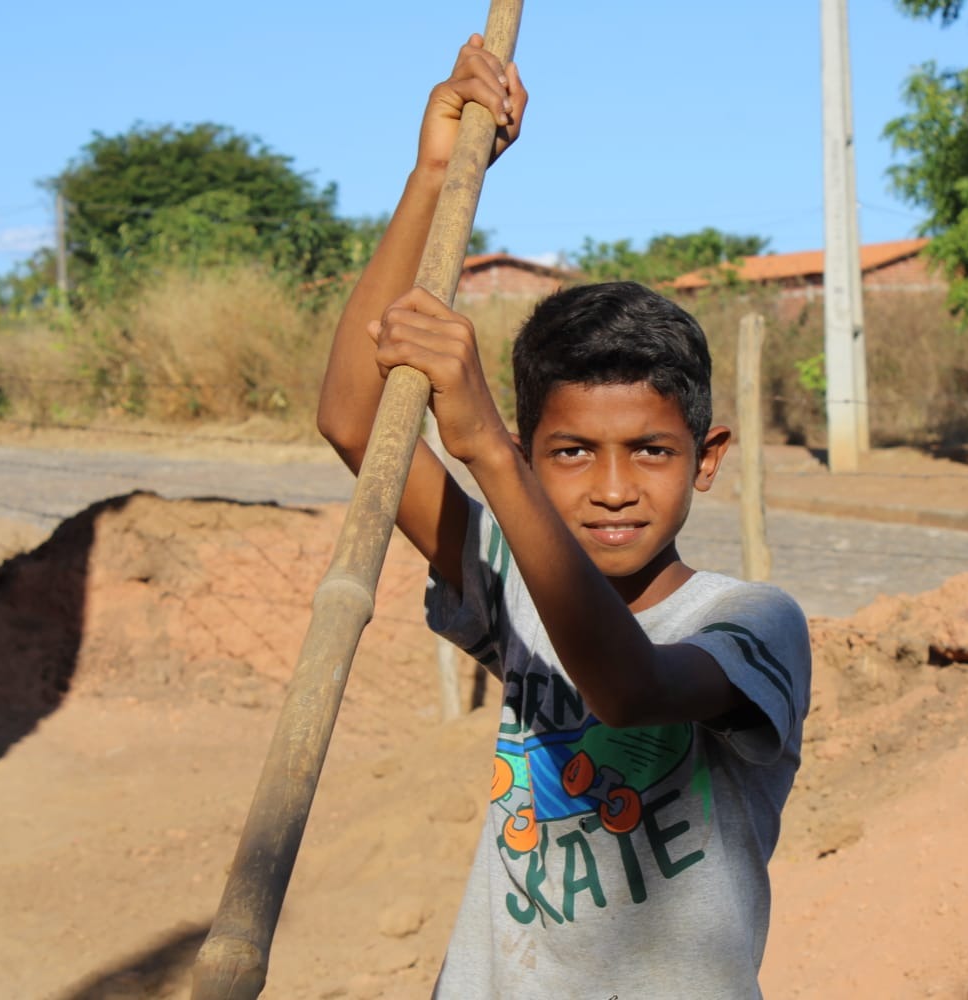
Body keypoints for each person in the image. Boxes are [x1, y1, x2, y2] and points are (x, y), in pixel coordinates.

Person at [317, 34, 811, 999]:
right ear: (540, 464)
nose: (614, 487)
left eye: (652, 451)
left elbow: (627, 687)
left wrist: (494, 452)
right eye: (572, 452)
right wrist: (430, 175)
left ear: (706, 460)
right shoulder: (513, 574)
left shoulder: (754, 623)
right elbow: (350, 418)